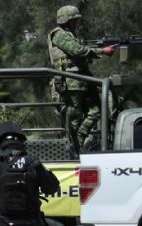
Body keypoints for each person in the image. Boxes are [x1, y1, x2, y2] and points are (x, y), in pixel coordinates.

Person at [48, 5, 117, 153]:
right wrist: (101, 51)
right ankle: (74, 146)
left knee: (97, 110)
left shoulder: (69, 34)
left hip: (81, 78)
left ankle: (79, 138)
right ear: (67, 20)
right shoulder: (60, 34)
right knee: (75, 116)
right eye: (75, 20)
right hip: (71, 80)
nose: (77, 23)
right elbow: (77, 51)